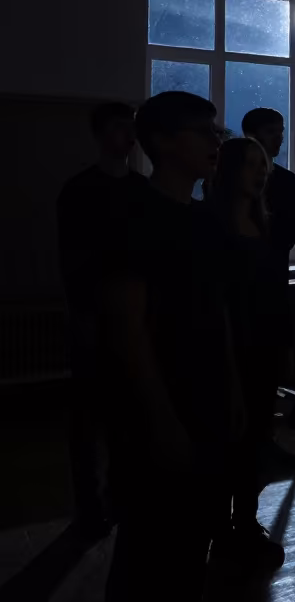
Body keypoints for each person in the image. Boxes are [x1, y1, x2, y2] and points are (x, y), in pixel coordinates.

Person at [101, 91, 237, 602]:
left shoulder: (203, 218)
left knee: (191, 541)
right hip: (159, 405)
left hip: (205, 400)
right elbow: (127, 327)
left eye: (216, 131)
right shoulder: (132, 213)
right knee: (148, 545)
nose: (215, 142)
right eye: (203, 132)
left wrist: (233, 389)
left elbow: (217, 311)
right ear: (162, 141)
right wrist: (161, 418)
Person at [56, 102, 150, 538]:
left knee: (125, 413)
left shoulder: (138, 189)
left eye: (131, 129)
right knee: (89, 418)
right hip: (93, 316)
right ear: (99, 134)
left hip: (128, 315)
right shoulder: (80, 191)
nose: (128, 137)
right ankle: (90, 504)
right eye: (119, 129)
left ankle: (116, 494)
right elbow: (73, 263)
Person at [206, 137, 287, 571]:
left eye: (264, 164)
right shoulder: (212, 225)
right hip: (228, 349)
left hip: (262, 349)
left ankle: (246, 521)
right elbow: (216, 302)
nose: (261, 171)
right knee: (228, 445)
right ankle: (221, 531)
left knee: (254, 440)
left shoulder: (262, 224)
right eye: (251, 163)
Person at [242, 108, 295, 261]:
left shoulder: (287, 179)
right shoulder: (286, 179)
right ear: (251, 135)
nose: (279, 138)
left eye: (280, 132)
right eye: (270, 131)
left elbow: (291, 230)